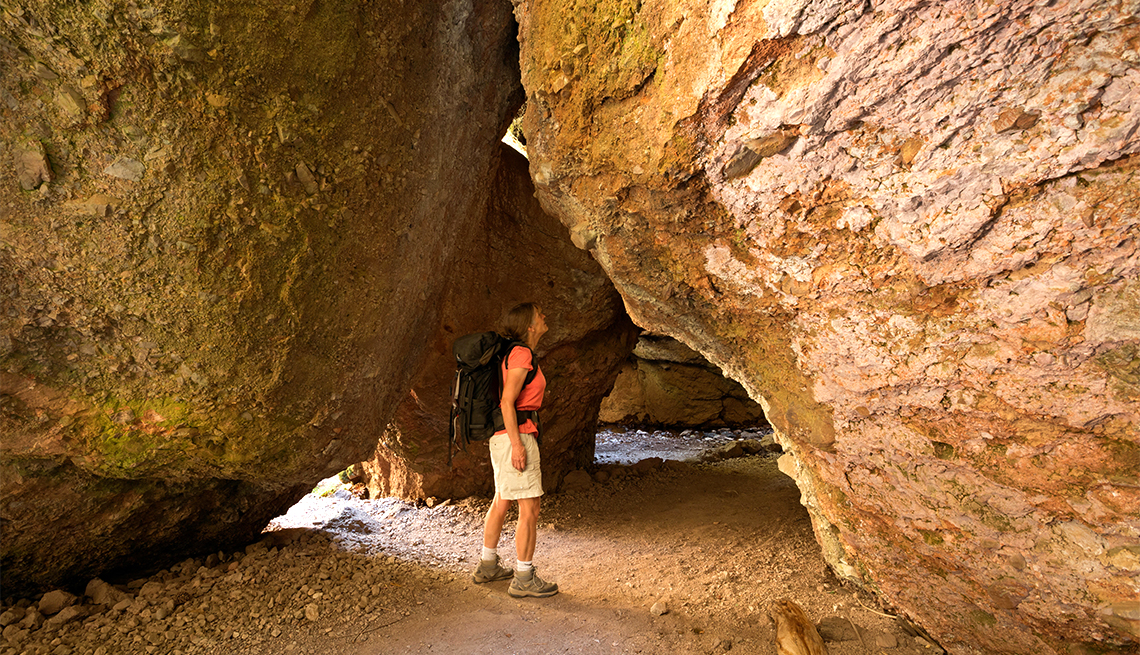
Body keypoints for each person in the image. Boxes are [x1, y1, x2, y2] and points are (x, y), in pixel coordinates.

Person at [471, 302, 559, 598]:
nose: (544, 316)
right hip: (515, 435)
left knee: (502, 500)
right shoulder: (521, 354)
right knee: (530, 509)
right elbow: (508, 402)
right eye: (539, 314)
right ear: (529, 326)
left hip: (502, 436)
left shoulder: (512, 353)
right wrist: (519, 445)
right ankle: (524, 577)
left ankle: (488, 565)